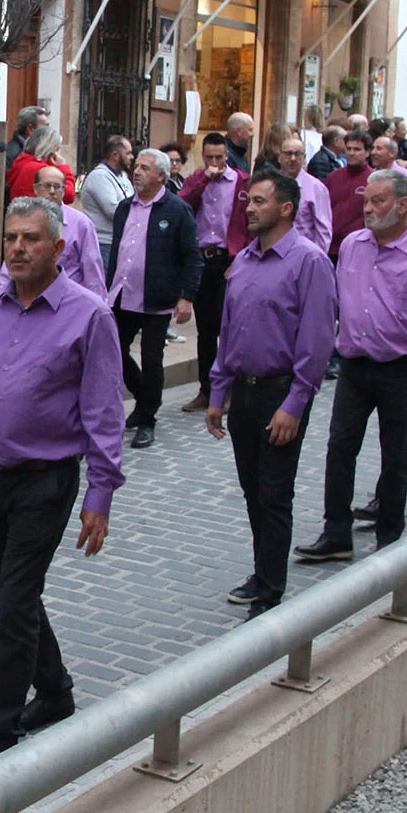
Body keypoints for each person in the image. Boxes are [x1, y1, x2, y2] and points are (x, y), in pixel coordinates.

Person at [0, 197, 124, 764]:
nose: (17, 248)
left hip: (46, 480)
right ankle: (57, 690)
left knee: (15, 602)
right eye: (11, 237)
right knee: (12, 595)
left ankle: (1, 727)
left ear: (58, 248)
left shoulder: (90, 316)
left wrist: (100, 494)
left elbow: (104, 413)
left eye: (31, 239)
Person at [296, 170, 407, 562]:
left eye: (378, 201)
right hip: (354, 365)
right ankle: (336, 532)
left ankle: (390, 536)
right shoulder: (352, 245)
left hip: (401, 369)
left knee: (395, 453)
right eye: (366, 200)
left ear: (404, 206)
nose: (368, 208)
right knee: (339, 448)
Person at [206, 171, 336, 609]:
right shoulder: (242, 261)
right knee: (252, 489)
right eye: (249, 200)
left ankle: (272, 587)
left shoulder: (310, 261)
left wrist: (295, 404)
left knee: (275, 492)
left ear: (286, 209)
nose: (250, 207)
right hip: (243, 390)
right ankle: (262, 569)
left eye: (260, 201)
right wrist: (218, 393)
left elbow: (317, 343)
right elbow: (229, 331)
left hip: (281, 394)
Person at [105, 148, 199, 451]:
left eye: (145, 168)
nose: (137, 171)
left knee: (152, 358)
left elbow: (191, 256)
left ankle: (147, 420)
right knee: (113, 351)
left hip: (156, 298)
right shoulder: (124, 207)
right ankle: (145, 400)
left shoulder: (176, 210)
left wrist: (187, 298)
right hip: (121, 293)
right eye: (137, 166)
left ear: (161, 175)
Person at [179, 132, 244, 413]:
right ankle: (206, 390)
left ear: (227, 155)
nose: (215, 162)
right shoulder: (197, 179)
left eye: (220, 157)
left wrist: (240, 258)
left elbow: (249, 222)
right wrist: (205, 178)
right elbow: (183, 204)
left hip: (231, 261)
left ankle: (227, 390)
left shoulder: (242, 181)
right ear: (203, 156)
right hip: (203, 260)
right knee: (205, 330)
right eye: (210, 157)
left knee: (227, 328)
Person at [32, 165, 106, 295]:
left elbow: (92, 269)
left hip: (68, 301)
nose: (52, 191)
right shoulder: (23, 220)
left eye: (57, 187)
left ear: (64, 190)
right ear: (36, 189)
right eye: (47, 186)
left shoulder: (81, 224)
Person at [79, 135, 135, 269]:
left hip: (120, 242)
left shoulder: (123, 176)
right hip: (104, 243)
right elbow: (114, 211)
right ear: (115, 155)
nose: (132, 157)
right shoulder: (99, 176)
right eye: (128, 153)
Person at [274, 133, 335, 253]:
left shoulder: (316, 188)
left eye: (297, 154)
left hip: (303, 254)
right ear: (279, 157)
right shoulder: (270, 184)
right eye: (288, 154)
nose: (292, 159)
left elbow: (323, 230)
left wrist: (317, 258)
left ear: (304, 157)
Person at [323, 132, 374, 254]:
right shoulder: (333, 177)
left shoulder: (374, 179)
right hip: (332, 247)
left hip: (359, 247)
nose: (351, 153)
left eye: (357, 149)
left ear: (367, 152)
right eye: (349, 149)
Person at [6, 124, 76, 203]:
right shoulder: (40, 169)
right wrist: (62, 167)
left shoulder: (23, 162)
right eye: (58, 149)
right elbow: (68, 195)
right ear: (53, 150)